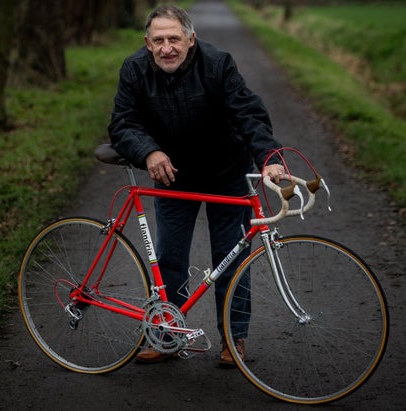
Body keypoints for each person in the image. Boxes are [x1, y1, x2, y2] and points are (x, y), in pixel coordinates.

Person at [107, 4, 285, 367]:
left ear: (191, 39)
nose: (166, 47)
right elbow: (122, 123)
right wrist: (149, 152)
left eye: (174, 38)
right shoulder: (134, 69)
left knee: (230, 260)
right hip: (171, 176)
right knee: (169, 257)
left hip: (226, 173)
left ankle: (232, 341)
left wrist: (270, 159)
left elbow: (248, 113)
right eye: (158, 40)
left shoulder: (218, 64)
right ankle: (167, 334)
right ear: (147, 42)